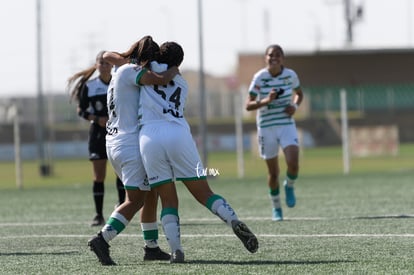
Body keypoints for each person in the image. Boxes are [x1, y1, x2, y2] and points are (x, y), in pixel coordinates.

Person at [138, 41, 259, 263]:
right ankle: (232, 220)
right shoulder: (182, 83)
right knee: (204, 193)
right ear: (179, 62)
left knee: (168, 199)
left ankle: (176, 250)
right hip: (178, 134)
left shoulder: (145, 69)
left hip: (150, 137)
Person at [87, 36, 179, 265]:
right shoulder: (132, 71)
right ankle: (102, 239)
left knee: (150, 194)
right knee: (136, 199)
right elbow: (160, 79)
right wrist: (175, 67)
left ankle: (151, 248)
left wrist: (127, 55)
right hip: (128, 144)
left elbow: (109, 54)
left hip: (117, 142)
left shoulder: (121, 68)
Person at [245, 44, 304, 221]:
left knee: (293, 162)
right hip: (266, 127)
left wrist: (294, 106)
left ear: (282, 59)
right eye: (271, 55)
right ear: (266, 58)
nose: (274, 58)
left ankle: (290, 185)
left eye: (278, 55)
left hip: (286, 124)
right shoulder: (259, 78)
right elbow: (248, 105)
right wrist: (266, 100)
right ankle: (276, 208)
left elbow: (299, 94)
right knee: (274, 173)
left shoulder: (290, 75)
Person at [67, 51, 125, 226]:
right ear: (97, 65)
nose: (105, 65)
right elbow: (81, 110)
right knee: (99, 176)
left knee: (121, 174)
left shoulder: (119, 83)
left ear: (112, 65)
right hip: (98, 135)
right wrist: (96, 119)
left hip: (117, 133)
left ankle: (121, 208)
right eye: (101, 62)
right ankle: (98, 215)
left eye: (108, 63)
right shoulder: (90, 86)